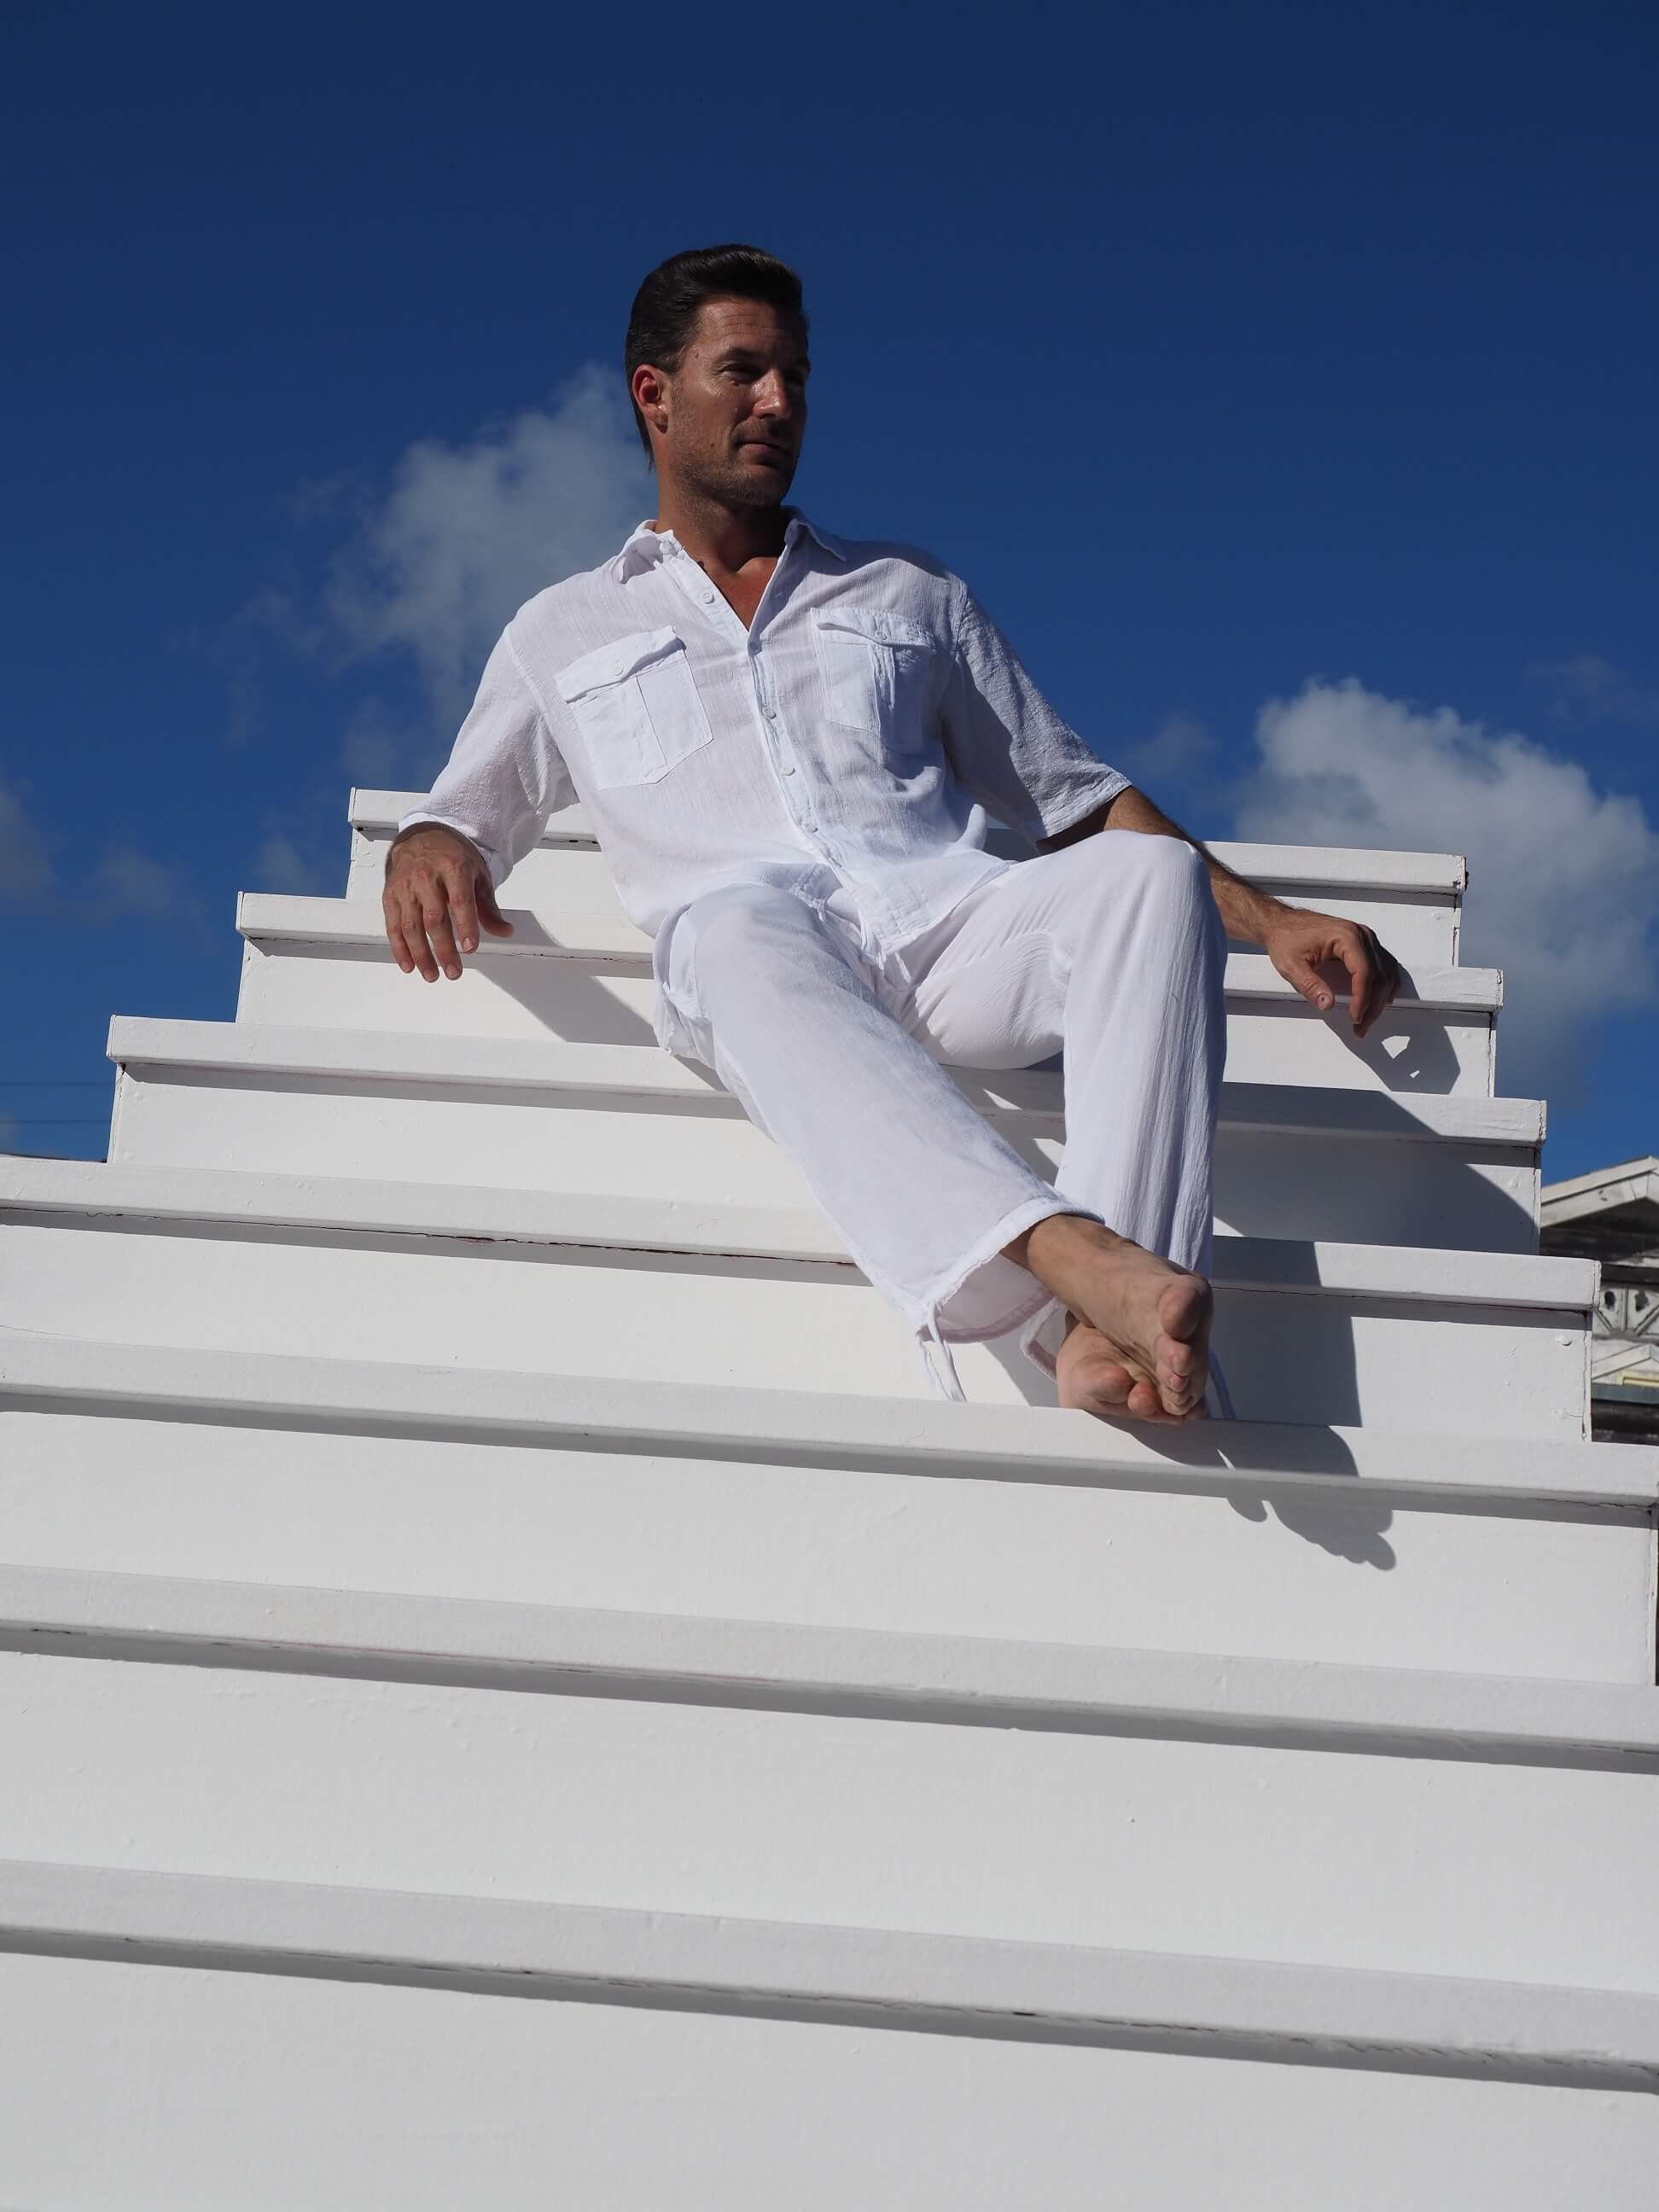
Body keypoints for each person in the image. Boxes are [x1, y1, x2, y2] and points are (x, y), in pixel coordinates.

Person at [382, 243, 1400, 1425]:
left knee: (1147, 878)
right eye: (745, 372)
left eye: (798, 377)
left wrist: (1268, 920)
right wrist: (432, 838)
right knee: (728, 923)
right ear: (653, 395)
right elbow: (465, 806)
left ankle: (1096, 1330)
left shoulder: (908, 592)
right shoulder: (560, 629)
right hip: (766, 965)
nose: (781, 404)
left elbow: (1074, 796)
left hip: (949, 932)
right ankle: (1077, 1272)